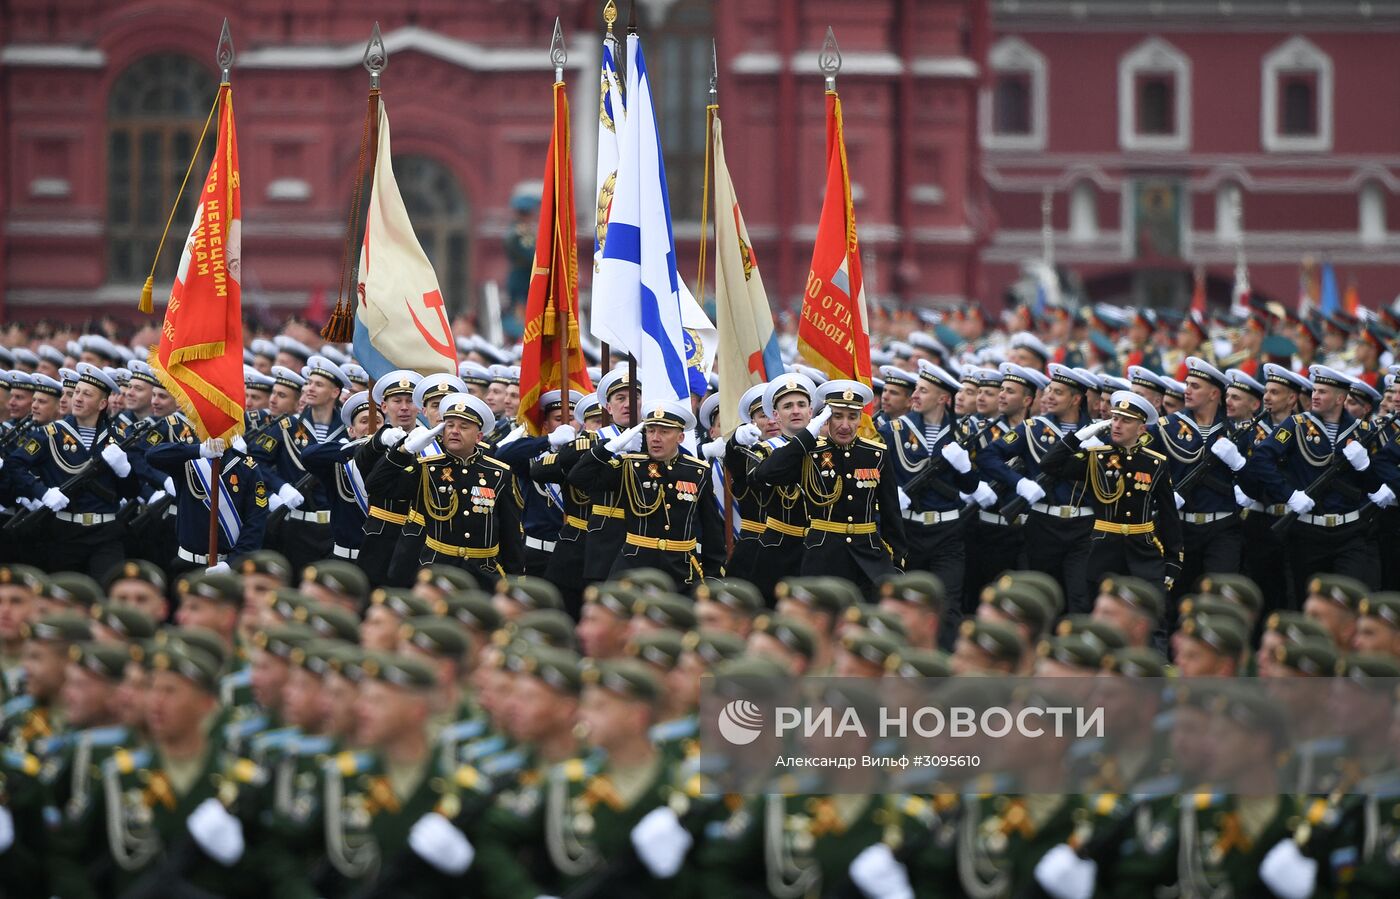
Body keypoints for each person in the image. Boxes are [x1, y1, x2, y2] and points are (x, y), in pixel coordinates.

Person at [1242, 365, 1385, 602]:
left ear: (1340, 398)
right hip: (1308, 532)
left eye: (1323, 392)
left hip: (1349, 532)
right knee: (1306, 601)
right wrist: (1289, 494)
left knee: (1348, 602)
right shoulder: (1296, 424)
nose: (1315, 396)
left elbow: (1376, 486)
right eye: (1315, 390)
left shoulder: (1363, 430)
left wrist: (1364, 467)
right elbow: (1262, 459)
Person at [754, 380, 906, 592]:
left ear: (860, 419)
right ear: (826, 419)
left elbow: (891, 514)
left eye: (852, 417)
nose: (845, 425)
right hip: (823, 556)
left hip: (870, 556)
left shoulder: (876, 454)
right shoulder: (811, 452)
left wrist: (897, 561)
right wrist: (807, 434)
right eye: (837, 416)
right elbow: (766, 473)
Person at [367, 392, 523, 590]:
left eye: (463, 427)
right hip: (437, 569)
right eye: (449, 426)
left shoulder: (499, 473)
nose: (454, 431)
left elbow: (510, 534)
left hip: (482, 572)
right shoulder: (427, 469)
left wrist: (515, 581)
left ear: (479, 436)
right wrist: (403, 451)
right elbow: (377, 485)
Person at [1040, 390, 1183, 600]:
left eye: (1126, 421)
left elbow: (1169, 516)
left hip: (1142, 550)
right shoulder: (1096, 458)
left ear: (1141, 429)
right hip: (1103, 550)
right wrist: (1079, 436)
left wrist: (1173, 562)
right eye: (1115, 419)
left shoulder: (1155, 463)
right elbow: (1049, 465)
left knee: (1149, 618)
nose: (1117, 425)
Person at [981, 363, 1098, 614]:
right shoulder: (1033, 428)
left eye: (1058, 392)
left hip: (1083, 527)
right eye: (1048, 391)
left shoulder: (1095, 431)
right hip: (1044, 523)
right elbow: (989, 455)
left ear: (1076, 399)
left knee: (1079, 597)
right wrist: (1019, 482)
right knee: (1040, 595)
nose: (1049, 397)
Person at [569, 399, 725, 587]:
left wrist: (712, 575)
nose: (655, 438)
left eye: (664, 432)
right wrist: (608, 448)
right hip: (634, 565)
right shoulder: (630, 466)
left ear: (680, 437)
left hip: (681, 569)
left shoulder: (697, 471)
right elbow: (578, 478)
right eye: (651, 431)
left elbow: (711, 530)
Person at [7, 363, 139, 578]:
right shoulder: (51, 434)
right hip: (64, 531)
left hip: (105, 533)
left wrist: (124, 470)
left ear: (102, 403)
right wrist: (43, 492)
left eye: (87, 394)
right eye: (76, 392)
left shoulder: (117, 438)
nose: (77, 398)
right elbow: (15, 464)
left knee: (108, 588)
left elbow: (131, 492)